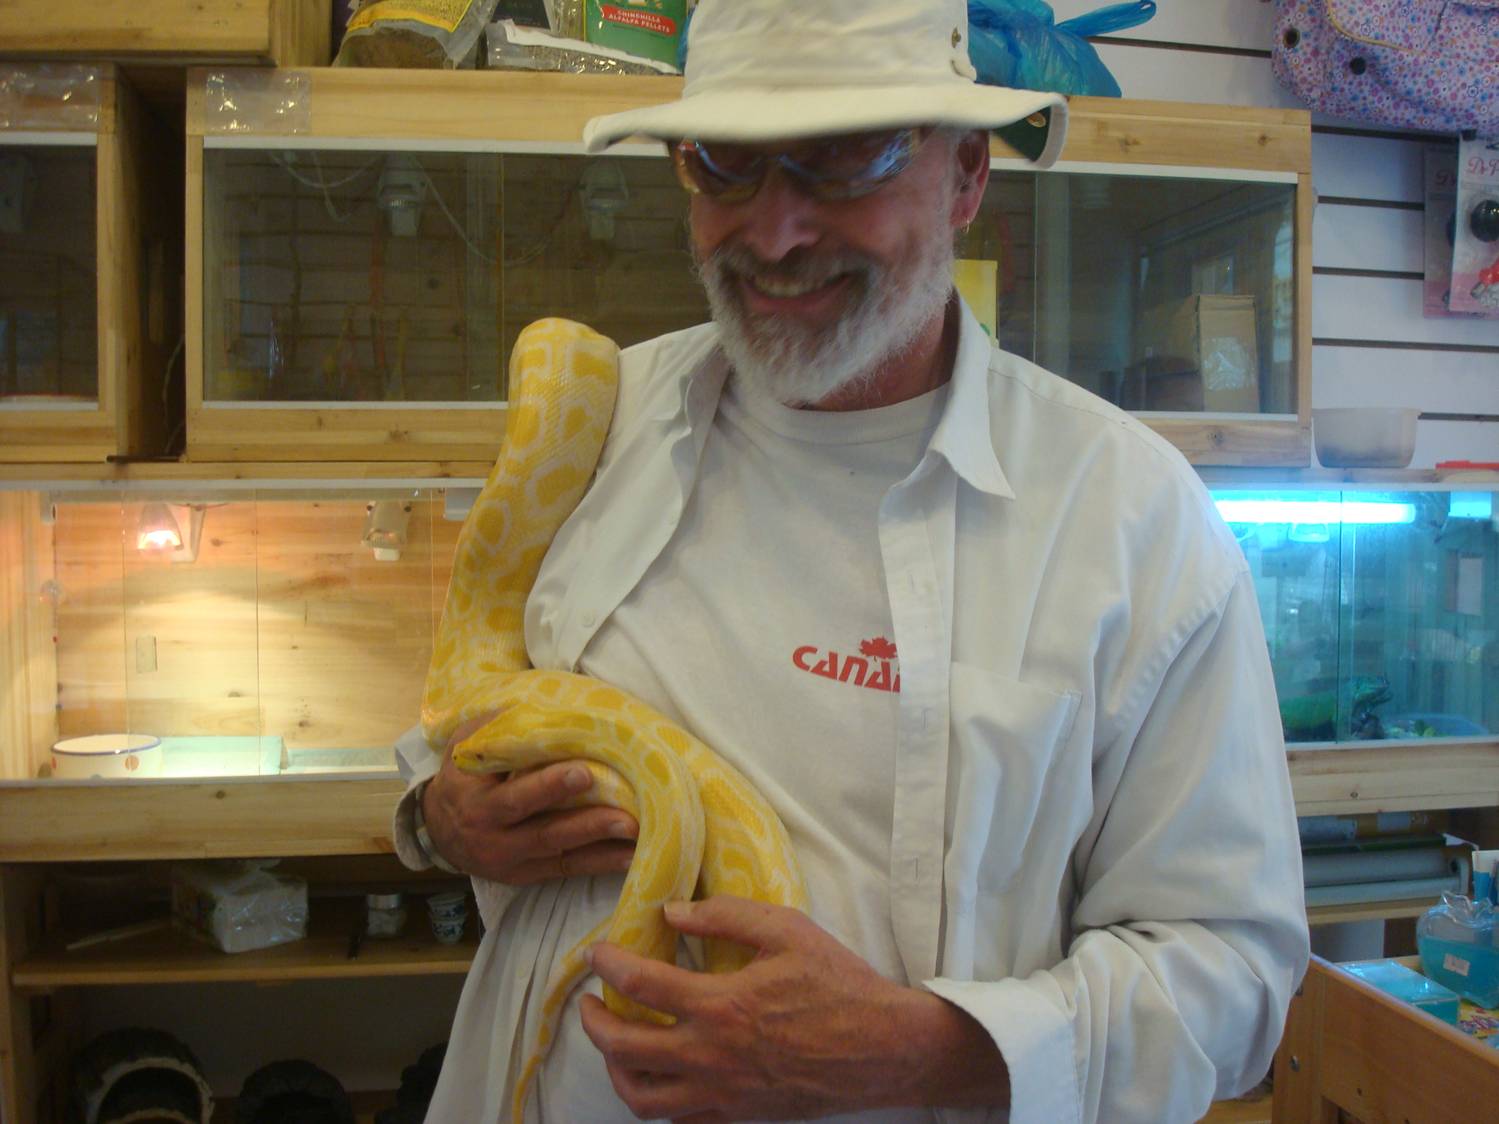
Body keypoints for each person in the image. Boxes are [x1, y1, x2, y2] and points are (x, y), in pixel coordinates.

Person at [391, 0, 1311, 1120]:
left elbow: (1233, 974)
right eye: (724, 165)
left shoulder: (1128, 519)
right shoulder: (598, 418)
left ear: (967, 174)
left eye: (844, 163)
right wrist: (442, 816)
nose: (773, 233)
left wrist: (923, 1048)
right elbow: (469, 703)